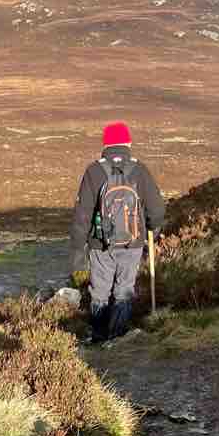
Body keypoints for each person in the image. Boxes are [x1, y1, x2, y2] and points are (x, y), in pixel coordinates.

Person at [70, 122, 165, 343]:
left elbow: (82, 216)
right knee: (124, 290)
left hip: (100, 244)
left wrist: (77, 252)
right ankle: (117, 337)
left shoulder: (93, 171)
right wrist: (153, 228)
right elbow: (157, 210)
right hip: (133, 242)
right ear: (128, 142)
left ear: (105, 144)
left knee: (99, 292)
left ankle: (99, 337)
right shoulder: (139, 170)